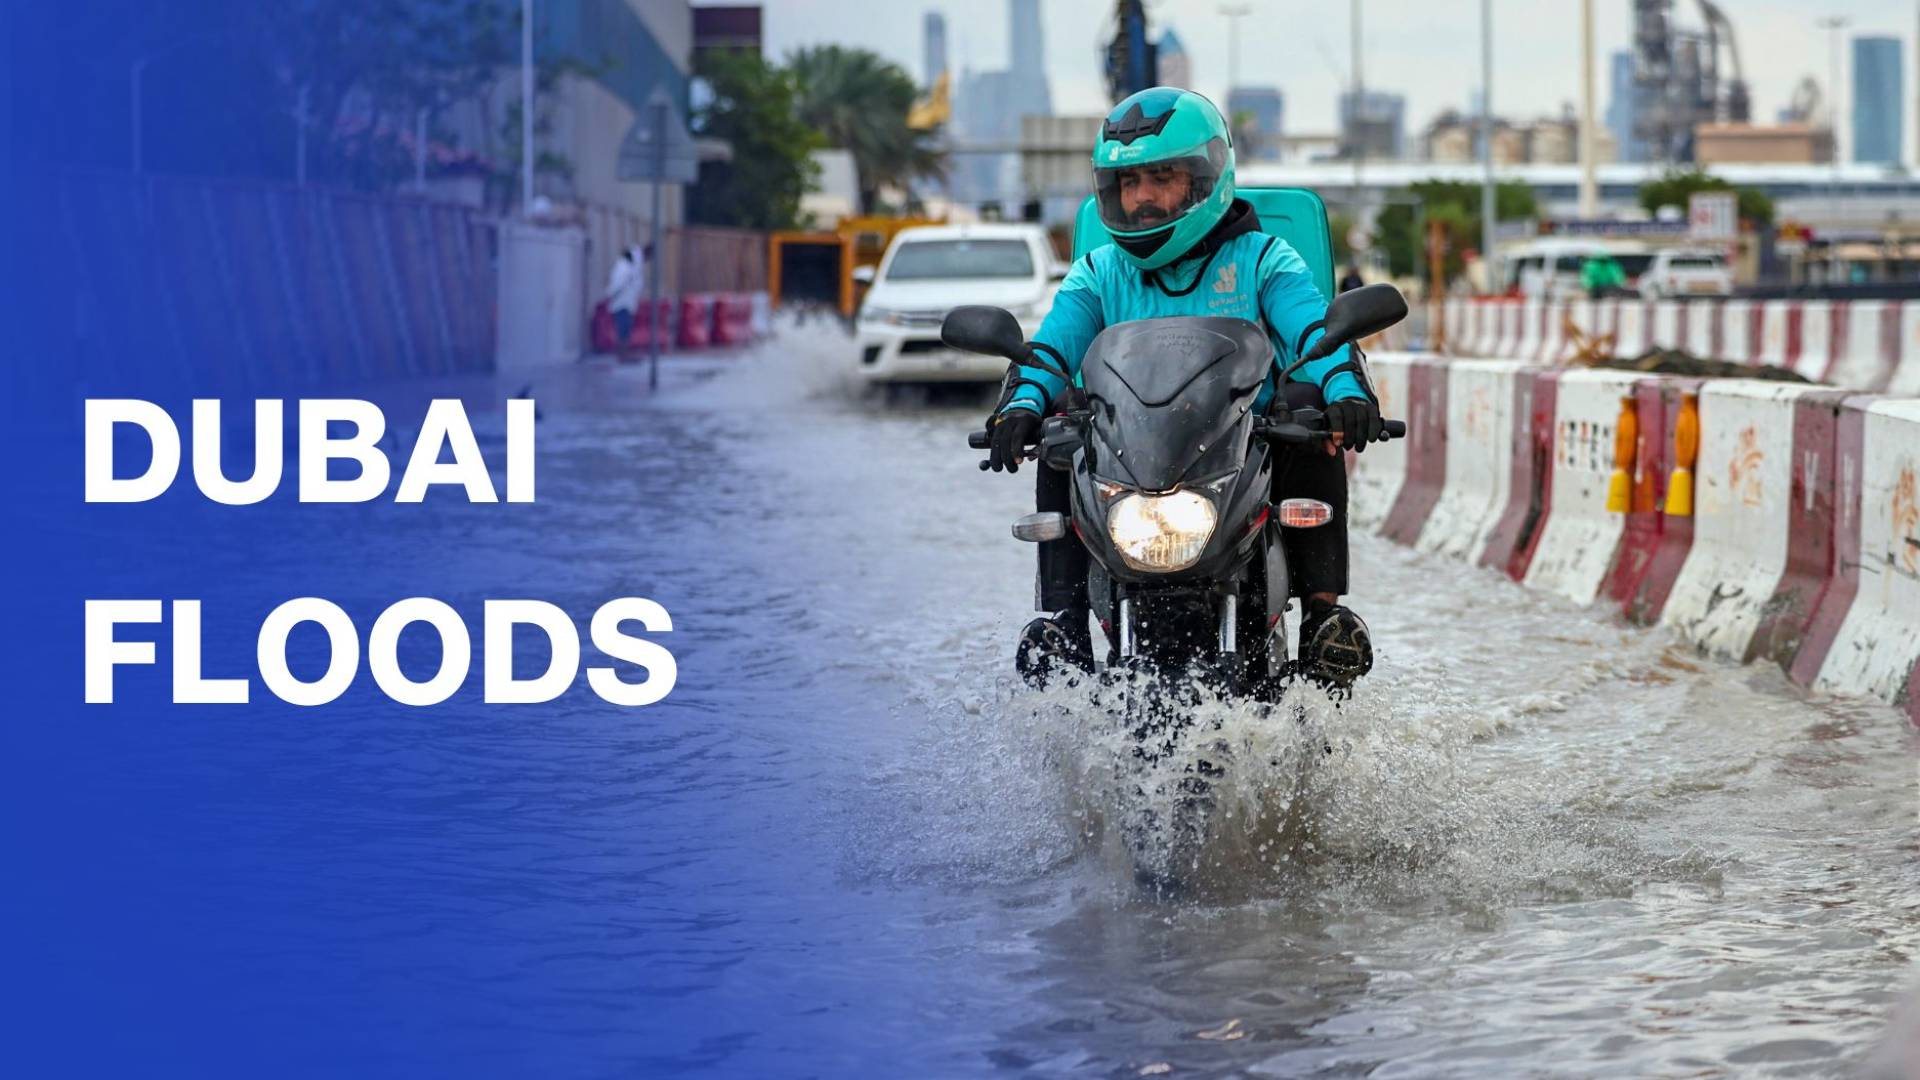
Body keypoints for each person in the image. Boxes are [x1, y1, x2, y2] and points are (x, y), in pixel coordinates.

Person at [984, 86, 1386, 687]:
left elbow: (1313, 330)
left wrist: (1347, 391)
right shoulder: (1099, 271)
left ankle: (1324, 618)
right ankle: (1064, 625)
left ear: (1205, 180)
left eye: (1160, 178)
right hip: (1133, 463)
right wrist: (1019, 406)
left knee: (1309, 408)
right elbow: (1050, 348)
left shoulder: (1263, 260)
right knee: (1061, 426)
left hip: (1241, 454)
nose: (1141, 198)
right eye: (1128, 184)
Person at [604, 244, 648, 357]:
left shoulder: (629, 268)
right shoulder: (624, 268)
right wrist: (610, 295)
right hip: (621, 304)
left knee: (626, 330)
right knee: (622, 330)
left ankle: (624, 353)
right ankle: (622, 354)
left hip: (626, 304)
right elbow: (617, 285)